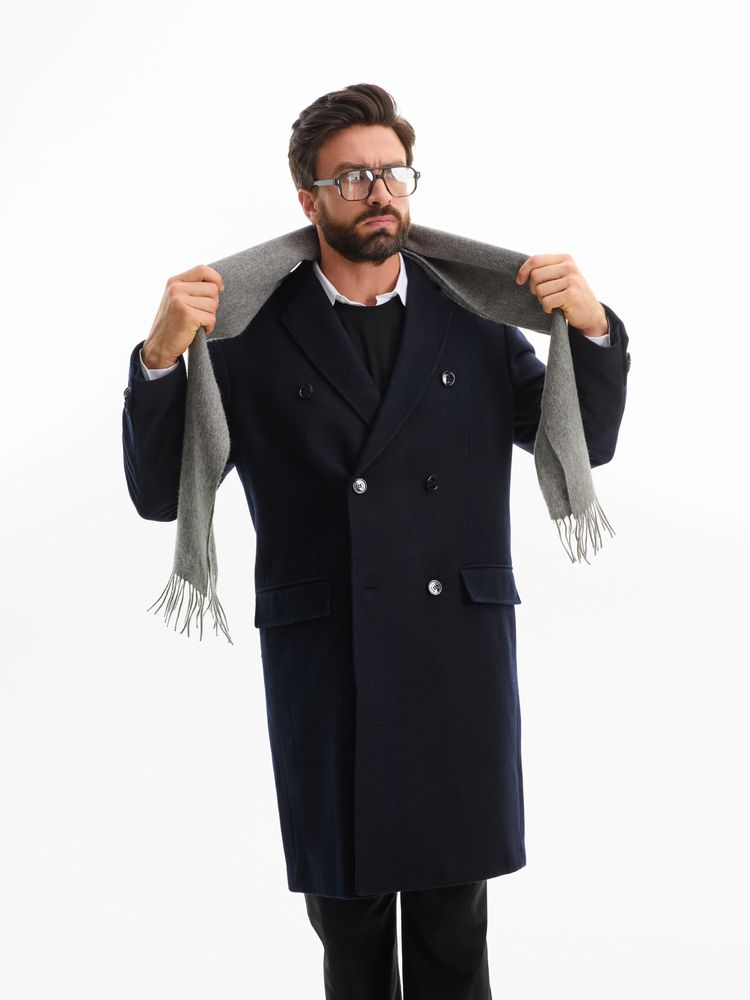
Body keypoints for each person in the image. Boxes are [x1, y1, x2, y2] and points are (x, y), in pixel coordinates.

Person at [122, 83, 630, 1000]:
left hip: (455, 660)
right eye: (352, 177)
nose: (379, 192)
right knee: (350, 937)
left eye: (393, 173)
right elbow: (162, 494)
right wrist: (160, 357)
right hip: (329, 663)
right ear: (308, 199)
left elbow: (579, 444)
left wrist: (590, 330)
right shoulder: (247, 335)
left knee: (454, 931)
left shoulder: (474, 316)